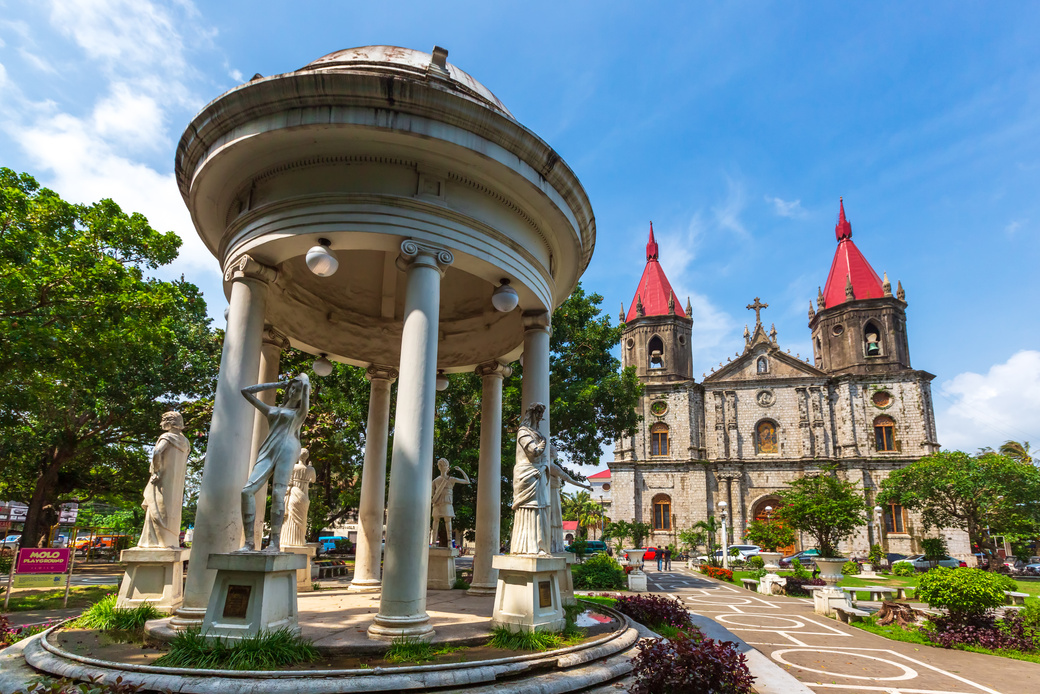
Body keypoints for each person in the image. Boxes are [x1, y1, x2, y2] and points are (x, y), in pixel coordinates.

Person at [239, 374, 311, 553]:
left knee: (279, 492)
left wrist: (305, 384)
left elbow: (306, 399)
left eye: (298, 390)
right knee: (247, 491)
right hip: (268, 448)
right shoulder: (271, 410)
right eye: (292, 388)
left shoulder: (298, 414)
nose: (294, 392)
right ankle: (249, 543)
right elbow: (246, 392)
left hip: (288, 447)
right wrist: (278, 383)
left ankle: (274, 543)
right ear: (288, 390)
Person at [139, 411, 191, 548]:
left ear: (170, 422)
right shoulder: (185, 442)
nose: (161, 423)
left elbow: (157, 452)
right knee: (170, 510)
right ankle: (168, 540)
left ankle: (153, 542)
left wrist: (156, 471)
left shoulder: (167, 437)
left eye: (163, 420)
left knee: (155, 508)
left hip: (161, 480)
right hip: (176, 484)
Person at [510, 403, 551, 555]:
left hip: (538, 473)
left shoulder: (537, 433)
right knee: (529, 507)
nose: (540, 416)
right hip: (526, 475)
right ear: (531, 413)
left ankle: (540, 546)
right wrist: (544, 443)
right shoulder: (523, 431)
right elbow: (534, 451)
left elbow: (545, 459)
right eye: (538, 412)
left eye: (542, 413)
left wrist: (542, 468)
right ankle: (525, 547)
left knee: (540, 508)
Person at [430, 458, 471, 546]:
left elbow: (467, 481)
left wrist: (461, 470)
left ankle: (449, 543)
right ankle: (433, 543)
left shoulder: (451, 479)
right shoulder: (435, 481)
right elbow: (432, 495)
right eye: (442, 465)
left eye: (444, 466)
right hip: (437, 504)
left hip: (447, 503)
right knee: (436, 523)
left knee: (447, 522)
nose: (443, 467)